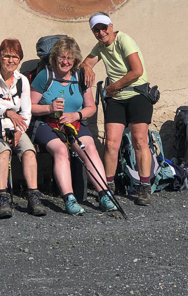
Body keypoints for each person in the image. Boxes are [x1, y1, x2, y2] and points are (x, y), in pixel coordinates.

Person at [29, 36, 117, 215]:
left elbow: (90, 107)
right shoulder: (45, 75)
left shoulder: (80, 75)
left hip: (73, 122)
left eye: (69, 58)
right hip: (47, 123)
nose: (65, 62)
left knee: (89, 147)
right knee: (61, 150)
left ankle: (104, 194)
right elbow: (29, 106)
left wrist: (76, 115)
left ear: (75, 59)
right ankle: (69, 198)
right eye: (62, 57)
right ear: (55, 57)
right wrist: (49, 108)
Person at [82, 12, 154, 206]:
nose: (101, 33)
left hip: (137, 94)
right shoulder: (100, 46)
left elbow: (137, 71)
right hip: (116, 98)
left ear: (111, 26)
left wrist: (114, 87)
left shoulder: (124, 40)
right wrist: (87, 67)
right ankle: (109, 186)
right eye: (96, 30)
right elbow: (85, 62)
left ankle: (144, 187)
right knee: (111, 143)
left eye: (104, 28)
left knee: (139, 141)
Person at [0, 38, 46, 218]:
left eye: (15, 57)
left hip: (15, 128)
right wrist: (8, 112)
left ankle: (33, 196)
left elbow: (26, 112)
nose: (11, 60)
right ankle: (2, 197)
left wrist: (20, 131)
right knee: (3, 150)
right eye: (7, 56)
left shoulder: (22, 81)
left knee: (29, 151)